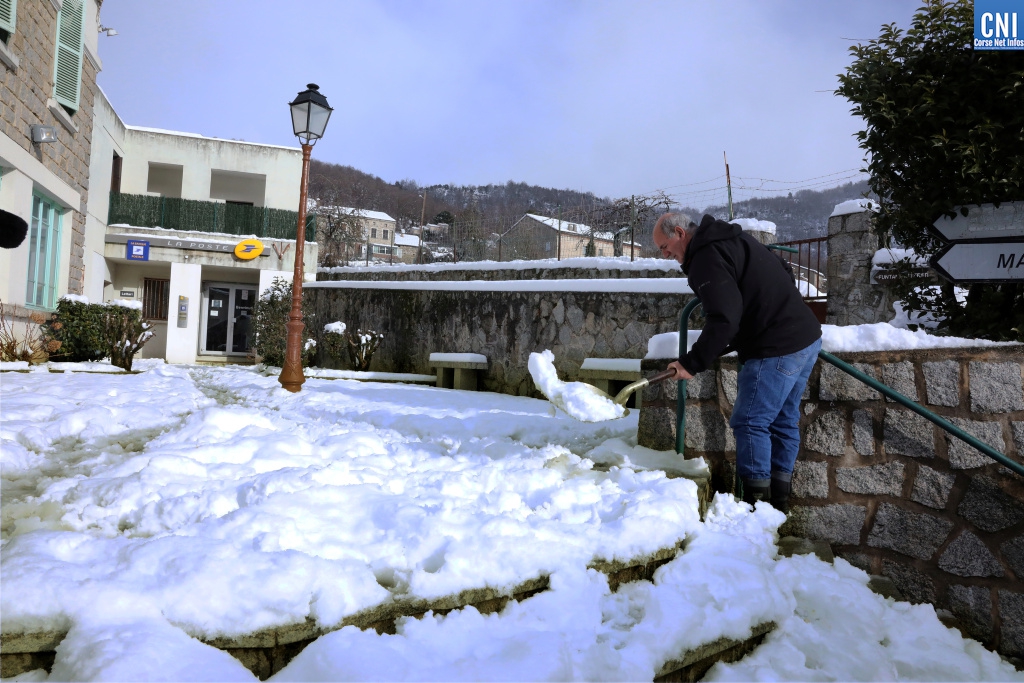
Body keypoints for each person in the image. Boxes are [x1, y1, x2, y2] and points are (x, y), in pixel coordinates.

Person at [653, 212, 822, 512]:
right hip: (806, 338)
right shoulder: (731, 237)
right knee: (782, 421)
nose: (665, 254)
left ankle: (756, 511)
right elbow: (783, 269)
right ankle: (777, 506)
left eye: (664, 246)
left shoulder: (705, 257)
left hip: (775, 346)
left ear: (679, 232)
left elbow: (724, 319)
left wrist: (691, 363)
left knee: (750, 421)